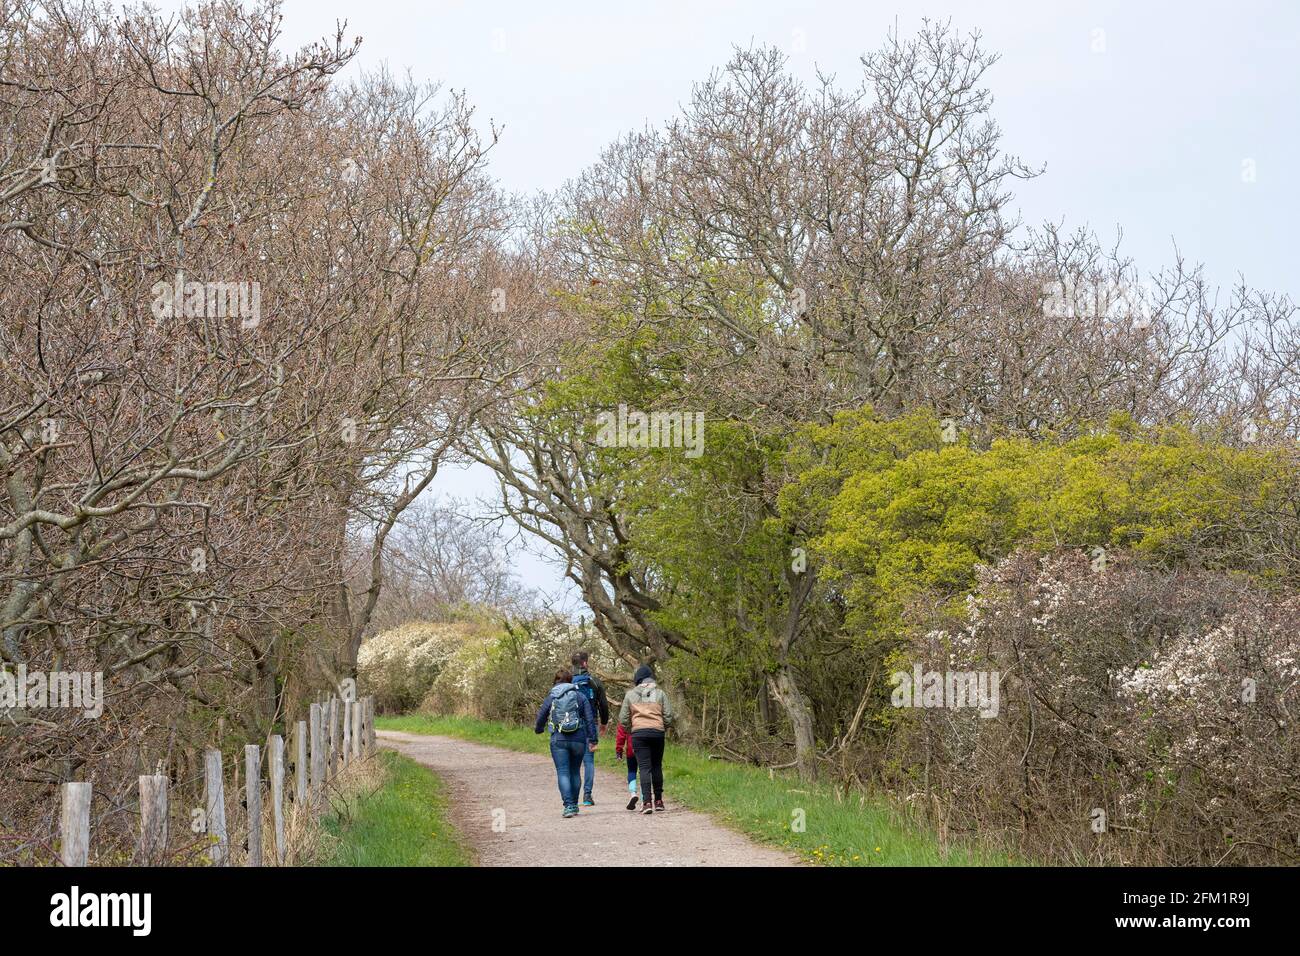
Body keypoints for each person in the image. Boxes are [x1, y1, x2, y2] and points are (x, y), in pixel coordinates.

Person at [534, 666, 599, 818]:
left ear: (555, 681)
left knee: (563, 772)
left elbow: (542, 715)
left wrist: (538, 729)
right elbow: (589, 719)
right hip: (578, 739)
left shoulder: (552, 696)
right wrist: (593, 739)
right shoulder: (579, 696)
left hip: (559, 739)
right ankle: (574, 805)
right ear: (570, 680)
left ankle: (569, 805)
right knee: (575, 771)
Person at [618, 664, 674, 814]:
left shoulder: (630, 695)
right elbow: (668, 715)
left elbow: (623, 718)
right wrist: (662, 726)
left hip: (639, 734)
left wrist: (632, 728)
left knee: (644, 768)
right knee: (656, 766)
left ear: (637, 680)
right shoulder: (661, 694)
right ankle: (659, 801)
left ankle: (647, 803)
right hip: (657, 733)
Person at [570, 650, 610, 807]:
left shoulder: (567, 682)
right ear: (585, 663)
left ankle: (572, 796)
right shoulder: (594, 681)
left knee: (572, 763)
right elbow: (604, 704)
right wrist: (604, 722)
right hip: (590, 725)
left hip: (570, 727)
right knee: (589, 762)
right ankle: (587, 795)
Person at [614, 720, 639, 810]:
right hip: (645, 748)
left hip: (631, 748)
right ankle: (645, 799)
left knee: (631, 771)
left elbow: (621, 734)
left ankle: (633, 793)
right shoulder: (648, 709)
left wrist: (619, 750)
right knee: (645, 771)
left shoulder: (626, 714)